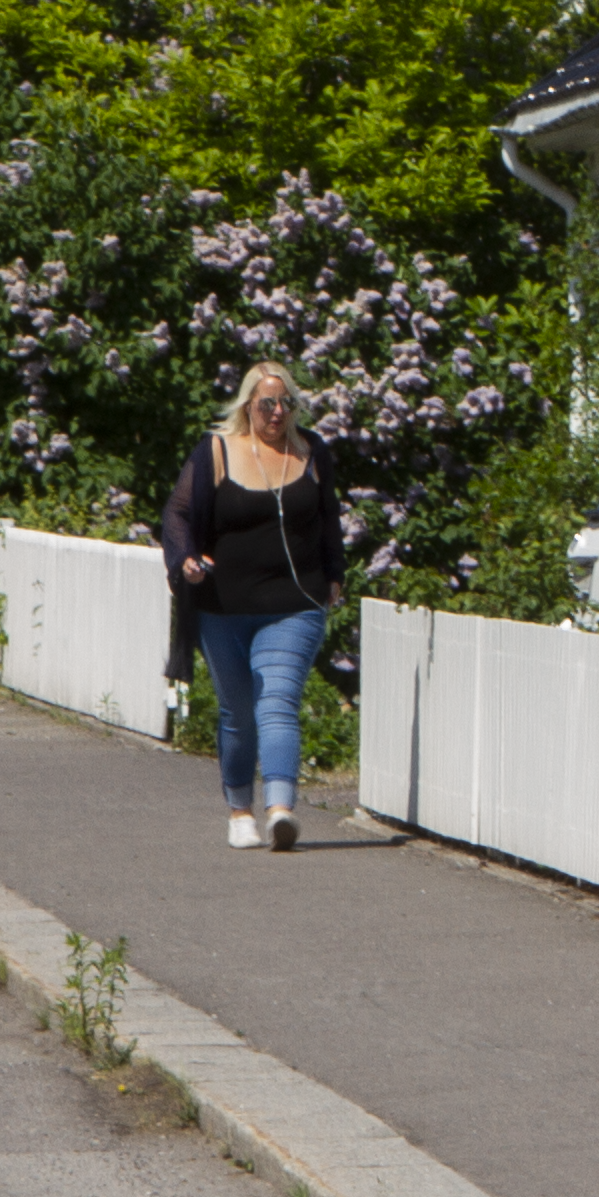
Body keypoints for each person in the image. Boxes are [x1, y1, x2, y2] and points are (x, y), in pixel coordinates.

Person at [161, 361, 349, 850]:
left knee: (278, 700)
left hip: (295, 603)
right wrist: (184, 561)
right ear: (249, 405)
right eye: (268, 403)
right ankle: (240, 809)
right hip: (222, 606)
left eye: (286, 402)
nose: (278, 412)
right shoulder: (217, 451)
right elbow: (178, 513)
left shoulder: (311, 451)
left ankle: (281, 809)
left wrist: (335, 574)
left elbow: (330, 516)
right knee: (238, 711)